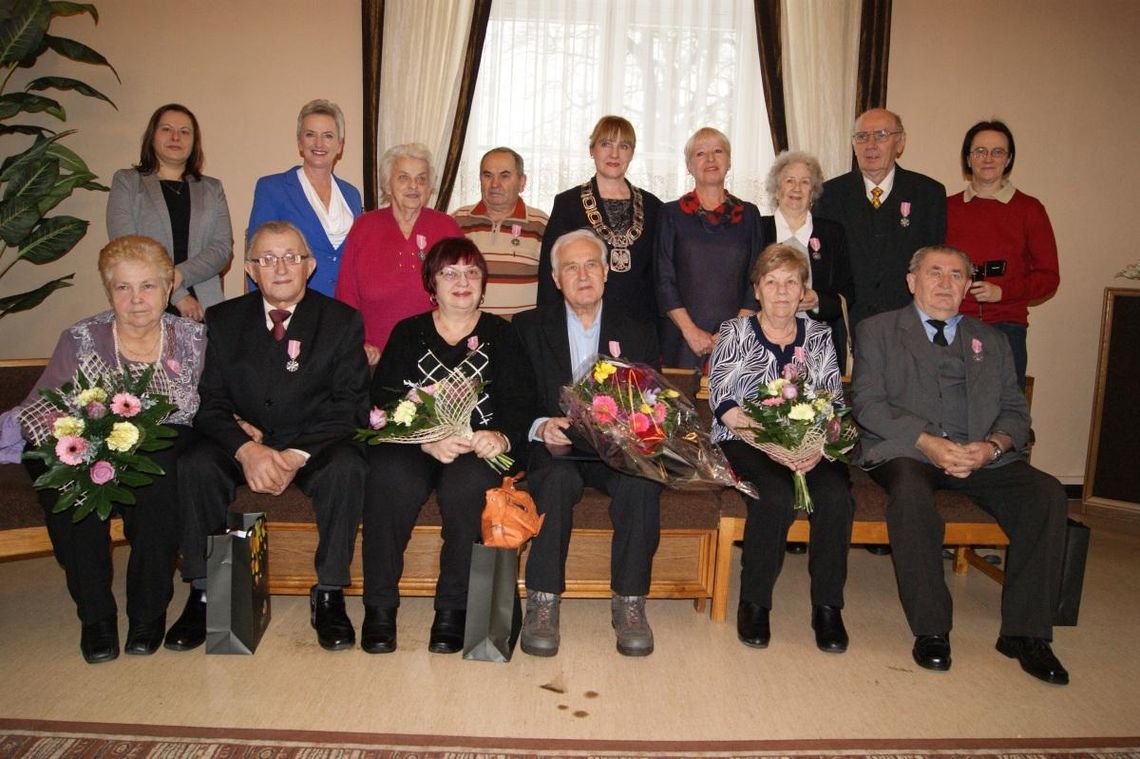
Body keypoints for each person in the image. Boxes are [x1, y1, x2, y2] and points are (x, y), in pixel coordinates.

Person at [851, 245, 1069, 685]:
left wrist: (992, 445)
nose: (946, 283)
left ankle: (1025, 634)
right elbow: (868, 404)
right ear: (912, 281)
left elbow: (1014, 411)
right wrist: (927, 441)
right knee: (910, 495)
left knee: (1046, 494)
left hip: (980, 455)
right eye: (935, 273)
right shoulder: (877, 330)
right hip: (909, 450)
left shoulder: (992, 340)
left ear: (969, 286)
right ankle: (932, 628)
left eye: (956, 275)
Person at [0, 236, 205, 663]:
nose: (136, 300)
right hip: (88, 438)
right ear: (109, 291)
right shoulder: (82, 338)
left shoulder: (194, 339)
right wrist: (74, 452)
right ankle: (96, 618)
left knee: (160, 479)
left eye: (148, 286)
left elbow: (214, 404)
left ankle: (148, 616)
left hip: (166, 439)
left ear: (168, 289)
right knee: (65, 491)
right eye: (122, 288)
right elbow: (44, 408)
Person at [166, 221, 369, 653]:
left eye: (291, 257)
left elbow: (349, 406)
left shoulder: (341, 321)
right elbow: (208, 401)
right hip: (245, 440)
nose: (280, 268)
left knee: (348, 466)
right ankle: (202, 593)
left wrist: (294, 455)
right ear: (251, 270)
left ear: (309, 266)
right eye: (267, 259)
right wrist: (247, 450)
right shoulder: (222, 320)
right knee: (196, 462)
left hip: (314, 444)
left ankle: (330, 593)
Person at [359, 238, 536, 655]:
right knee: (388, 480)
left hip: (477, 448)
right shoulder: (408, 332)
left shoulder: (502, 335)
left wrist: (502, 436)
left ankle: (452, 610)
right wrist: (427, 439)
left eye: (472, 273)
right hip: (414, 444)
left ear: (483, 284)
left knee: (467, 489)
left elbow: (524, 404)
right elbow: (382, 403)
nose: (462, 282)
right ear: (431, 283)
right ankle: (379, 607)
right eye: (450, 273)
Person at [514, 229, 663, 657]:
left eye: (591, 265)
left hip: (616, 447)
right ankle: (543, 601)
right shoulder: (527, 327)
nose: (583, 275)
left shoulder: (637, 330)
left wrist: (634, 426)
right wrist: (541, 424)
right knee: (555, 483)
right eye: (571, 267)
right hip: (557, 445)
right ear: (556, 278)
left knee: (642, 483)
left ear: (606, 273)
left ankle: (630, 603)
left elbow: (652, 400)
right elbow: (514, 396)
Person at [707, 244, 854, 653]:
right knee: (774, 495)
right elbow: (723, 403)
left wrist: (811, 446)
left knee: (836, 495)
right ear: (757, 289)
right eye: (772, 282)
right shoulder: (734, 332)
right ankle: (755, 603)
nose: (782, 291)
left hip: (811, 443)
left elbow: (833, 404)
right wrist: (773, 442)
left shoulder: (821, 336)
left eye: (791, 281)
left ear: (804, 289)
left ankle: (828, 607)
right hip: (746, 440)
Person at [946, 120, 1059, 389]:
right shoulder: (947, 207)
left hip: (1006, 329)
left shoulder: (1030, 210)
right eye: (980, 151)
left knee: (1003, 416)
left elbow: (1049, 277)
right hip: (952, 325)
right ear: (968, 158)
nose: (988, 158)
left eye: (997, 152)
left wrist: (1003, 291)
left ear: (1008, 159)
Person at [814, 108, 945, 330]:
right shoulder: (829, 195)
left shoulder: (928, 194)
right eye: (862, 137)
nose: (871, 144)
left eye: (881, 135)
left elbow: (934, 264)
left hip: (908, 323)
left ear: (900, 143)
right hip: (847, 324)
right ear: (854, 145)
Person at [335, 143, 463, 363]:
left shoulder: (447, 227)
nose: (413, 185)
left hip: (439, 353)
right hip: (375, 355)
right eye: (403, 177)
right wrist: (360, 343)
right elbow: (346, 294)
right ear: (387, 184)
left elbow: (464, 290)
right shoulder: (364, 227)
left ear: (429, 187)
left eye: (421, 179)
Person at [106, 104, 233, 322]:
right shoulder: (127, 182)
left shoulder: (212, 188)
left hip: (205, 306)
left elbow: (222, 249)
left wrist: (179, 275)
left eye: (185, 132)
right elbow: (126, 249)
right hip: (145, 304)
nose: (176, 137)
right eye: (166, 129)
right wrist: (177, 293)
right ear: (152, 136)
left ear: (194, 141)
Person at [656, 127, 766, 369]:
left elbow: (758, 277)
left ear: (729, 161)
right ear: (688, 166)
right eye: (700, 154)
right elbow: (664, 278)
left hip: (739, 337)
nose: (710, 159)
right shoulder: (670, 213)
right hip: (682, 338)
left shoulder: (749, 215)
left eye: (718, 151)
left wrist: (733, 332)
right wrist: (690, 331)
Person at [537, 116, 662, 322]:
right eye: (606, 144)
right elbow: (550, 272)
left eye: (624, 146)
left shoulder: (653, 206)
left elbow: (660, 275)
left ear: (632, 153)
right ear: (592, 150)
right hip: (581, 320)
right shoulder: (567, 204)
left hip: (641, 326)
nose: (614, 154)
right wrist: (550, 327)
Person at [247, 99, 363, 298]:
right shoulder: (272, 188)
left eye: (328, 136)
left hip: (343, 307)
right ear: (300, 142)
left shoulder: (352, 194)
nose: (319, 143)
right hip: (292, 304)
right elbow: (258, 257)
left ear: (340, 145)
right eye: (310, 135)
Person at [760, 150, 855, 369]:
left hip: (817, 345)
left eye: (805, 182)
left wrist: (818, 301)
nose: (796, 188)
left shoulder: (832, 233)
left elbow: (848, 292)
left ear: (812, 192)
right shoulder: (758, 229)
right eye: (789, 181)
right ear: (777, 189)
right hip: (764, 343)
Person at [452, 147, 549, 317]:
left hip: (521, 336)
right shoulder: (457, 221)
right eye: (487, 175)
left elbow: (555, 283)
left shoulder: (541, 224)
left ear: (522, 182)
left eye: (505, 176)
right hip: (470, 333)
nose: (495, 184)